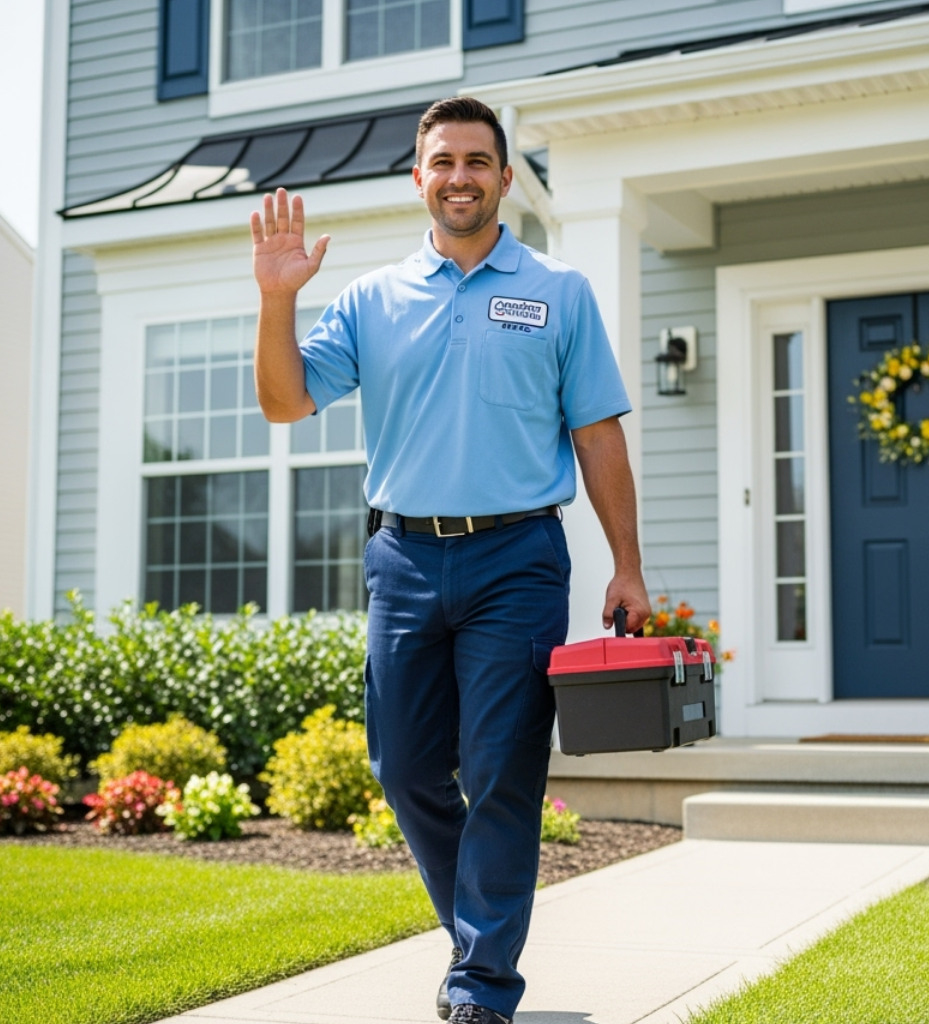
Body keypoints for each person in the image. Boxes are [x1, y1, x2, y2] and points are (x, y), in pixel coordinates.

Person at [250, 96, 652, 1024]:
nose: (460, 176)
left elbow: (598, 436)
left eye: (478, 160)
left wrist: (626, 565)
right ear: (419, 177)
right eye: (443, 161)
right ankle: (480, 929)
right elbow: (283, 402)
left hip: (518, 557)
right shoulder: (371, 300)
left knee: (504, 765)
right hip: (402, 559)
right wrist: (279, 300)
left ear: (506, 178)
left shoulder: (559, 292)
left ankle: (480, 985)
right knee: (403, 767)